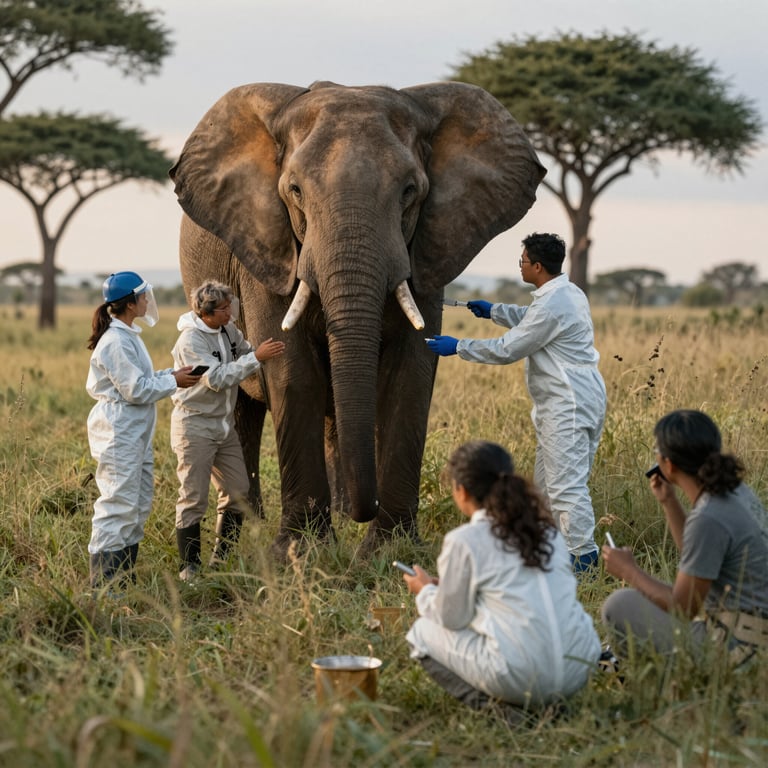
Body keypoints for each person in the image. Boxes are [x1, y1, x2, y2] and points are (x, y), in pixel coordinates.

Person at [426, 233, 606, 572]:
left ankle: (584, 560)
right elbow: (532, 317)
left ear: (537, 266)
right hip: (576, 397)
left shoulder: (554, 304)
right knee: (547, 487)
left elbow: (509, 348)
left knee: (566, 487)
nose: (520, 267)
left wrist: (459, 346)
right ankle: (551, 553)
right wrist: (493, 311)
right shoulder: (567, 293)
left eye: (522, 262)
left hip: (567, 404)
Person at [401, 440, 601, 713]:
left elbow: (451, 618)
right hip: (580, 666)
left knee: (421, 633)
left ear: (461, 491)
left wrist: (424, 590)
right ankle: (554, 706)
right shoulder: (549, 532)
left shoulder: (465, 540)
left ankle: (506, 713)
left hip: (521, 675)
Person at [602, 409, 768, 665]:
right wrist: (669, 502)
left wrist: (629, 571)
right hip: (750, 632)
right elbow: (699, 555)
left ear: (668, 464)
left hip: (740, 650)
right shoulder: (735, 493)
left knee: (619, 604)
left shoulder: (709, 516)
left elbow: (685, 608)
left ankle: (639, 671)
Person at [86, 271, 199, 589]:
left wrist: (172, 373)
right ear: (131, 303)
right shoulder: (115, 341)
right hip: (119, 432)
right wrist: (173, 381)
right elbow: (135, 389)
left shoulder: (127, 335)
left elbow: (138, 380)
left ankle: (122, 580)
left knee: (136, 503)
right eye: (143, 296)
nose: (148, 300)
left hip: (134, 432)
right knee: (118, 503)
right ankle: (105, 587)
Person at [170, 281, 285, 581]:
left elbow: (245, 350)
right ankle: (189, 568)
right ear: (206, 313)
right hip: (195, 425)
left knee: (238, 491)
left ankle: (222, 559)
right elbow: (217, 379)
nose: (231, 314)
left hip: (223, 424)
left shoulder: (227, 331)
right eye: (225, 309)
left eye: (230, 307)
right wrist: (257, 358)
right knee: (194, 497)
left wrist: (264, 351)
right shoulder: (190, 341)